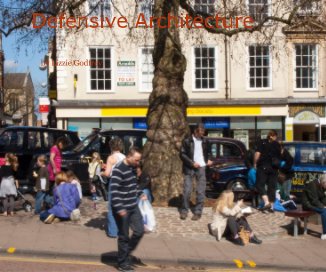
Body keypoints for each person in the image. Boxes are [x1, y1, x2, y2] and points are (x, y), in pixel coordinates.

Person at [111, 147, 145, 272]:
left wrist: (140, 192)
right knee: (124, 236)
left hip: (133, 206)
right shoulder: (118, 170)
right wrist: (120, 209)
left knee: (139, 231)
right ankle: (122, 263)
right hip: (122, 208)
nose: (138, 163)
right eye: (136, 160)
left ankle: (125, 254)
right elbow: (114, 191)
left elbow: (133, 184)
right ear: (129, 157)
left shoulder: (132, 168)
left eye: (139, 161)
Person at [180, 123, 213, 221]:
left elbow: (210, 152)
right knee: (187, 190)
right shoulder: (187, 141)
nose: (202, 134)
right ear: (195, 131)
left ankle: (198, 212)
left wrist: (209, 160)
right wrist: (191, 163)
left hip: (202, 167)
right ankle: (184, 211)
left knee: (200, 191)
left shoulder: (205, 141)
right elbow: (182, 154)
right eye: (200, 132)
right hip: (189, 167)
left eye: (203, 132)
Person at [102, 138, 126, 238]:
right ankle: (122, 230)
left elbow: (107, 174)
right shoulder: (124, 157)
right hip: (124, 183)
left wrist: (101, 173)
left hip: (114, 182)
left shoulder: (111, 157)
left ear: (111, 146)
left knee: (112, 207)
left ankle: (113, 232)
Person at [254, 130, 281, 212]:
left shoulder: (262, 142)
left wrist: (255, 163)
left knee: (260, 184)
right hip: (274, 168)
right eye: (275, 136)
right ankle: (272, 207)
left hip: (263, 167)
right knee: (272, 187)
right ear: (273, 136)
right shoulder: (277, 144)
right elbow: (280, 155)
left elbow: (257, 154)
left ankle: (266, 203)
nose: (276, 138)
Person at [302, 174, 326, 240]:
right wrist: (323, 206)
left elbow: (323, 198)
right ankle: (324, 234)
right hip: (308, 205)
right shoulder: (312, 185)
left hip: (314, 203)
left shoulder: (321, 185)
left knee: (324, 209)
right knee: (324, 211)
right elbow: (314, 200)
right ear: (323, 182)